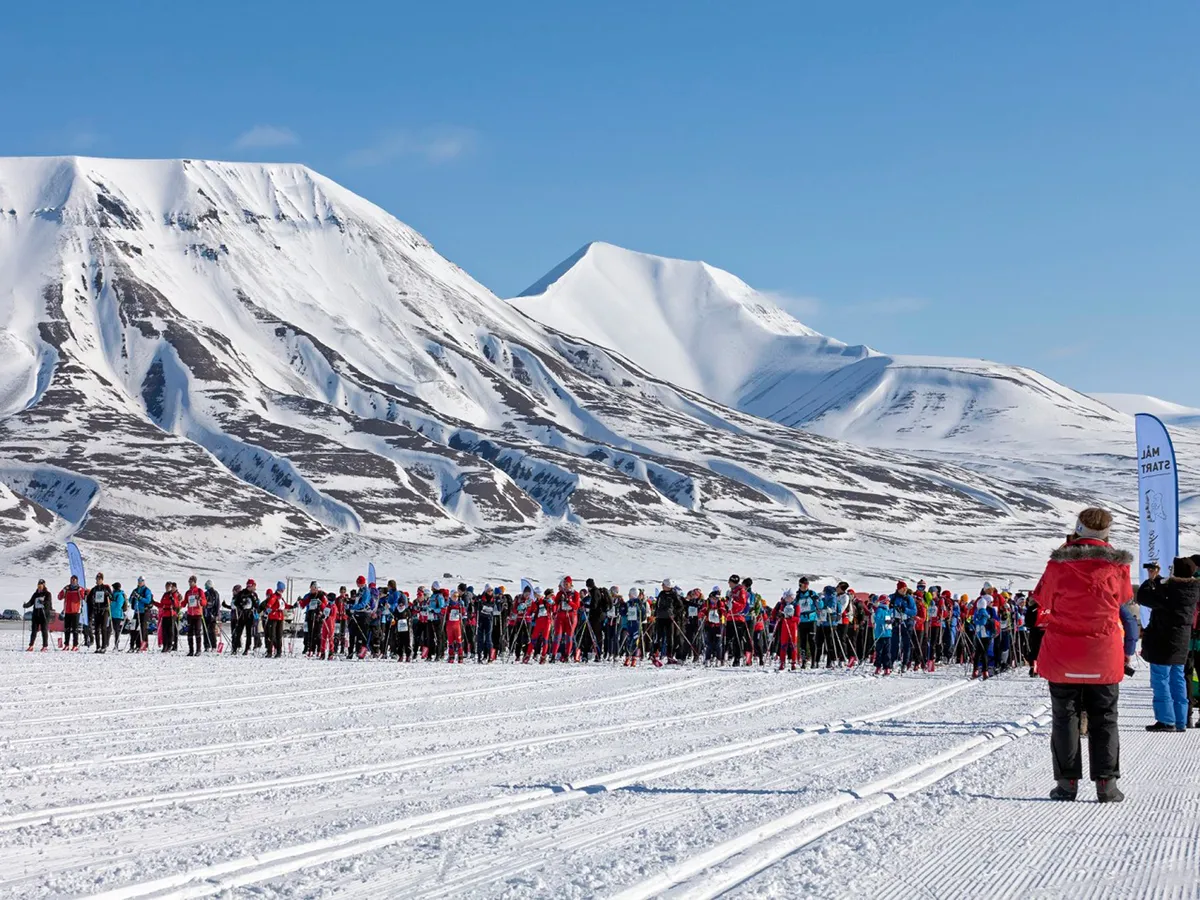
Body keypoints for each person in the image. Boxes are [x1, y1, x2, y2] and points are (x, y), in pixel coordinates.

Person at [1034, 508, 1131, 803]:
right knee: (1105, 717)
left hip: (1063, 651)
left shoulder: (1058, 564)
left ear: (1078, 528)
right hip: (1103, 652)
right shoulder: (1118, 566)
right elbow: (1125, 598)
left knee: (1065, 716)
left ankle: (1067, 784)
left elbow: (1043, 597)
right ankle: (1106, 785)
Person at [1136, 557, 1199, 732]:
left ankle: (1166, 720)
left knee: (1161, 679)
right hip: (1182, 641)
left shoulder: (1171, 591)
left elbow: (1144, 597)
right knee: (1178, 678)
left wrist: (1151, 579)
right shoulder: (1192, 589)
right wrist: (1158, 580)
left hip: (1163, 640)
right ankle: (1181, 720)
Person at [87, 573, 114, 654]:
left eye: (100, 579)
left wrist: (108, 594)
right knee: (96, 630)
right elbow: (89, 600)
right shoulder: (94, 589)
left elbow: (112, 597)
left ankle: (104, 646)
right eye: (97, 579)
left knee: (103, 628)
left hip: (104, 610)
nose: (98, 580)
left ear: (102, 580)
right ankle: (98, 647)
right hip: (96, 610)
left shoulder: (106, 587)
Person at [58, 575, 85, 651]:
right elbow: (59, 597)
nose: (73, 582)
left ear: (77, 581)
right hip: (67, 611)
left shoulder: (79, 589)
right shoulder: (67, 588)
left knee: (75, 629)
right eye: (72, 580)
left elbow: (83, 597)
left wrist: (80, 590)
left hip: (76, 611)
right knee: (66, 629)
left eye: (74, 580)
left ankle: (75, 645)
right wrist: (63, 590)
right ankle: (66, 644)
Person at [25, 579, 52, 651]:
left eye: (41, 585)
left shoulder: (47, 594)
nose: (40, 587)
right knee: (34, 631)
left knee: (44, 630)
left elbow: (48, 603)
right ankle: (31, 645)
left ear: (44, 585)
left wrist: (43, 602)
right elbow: (31, 602)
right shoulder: (35, 594)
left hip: (44, 615)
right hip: (36, 615)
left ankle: (45, 646)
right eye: (38, 585)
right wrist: (26, 605)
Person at [109, 582, 128, 651]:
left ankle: (116, 644)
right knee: (113, 630)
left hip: (117, 615)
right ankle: (114, 644)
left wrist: (111, 604)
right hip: (113, 614)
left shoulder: (119, 595)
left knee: (116, 630)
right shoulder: (113, 594)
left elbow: (118, 606)